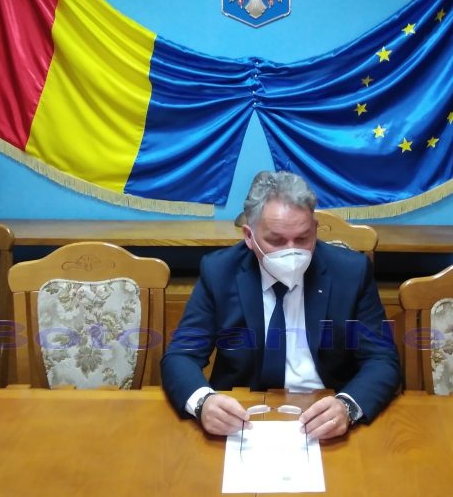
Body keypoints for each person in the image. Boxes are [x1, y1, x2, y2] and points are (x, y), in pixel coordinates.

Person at [161, 171, 400, 439]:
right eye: (276, 240)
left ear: (315, 228)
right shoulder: (220, 271)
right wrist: (203, 402)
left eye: (303, 238)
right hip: (242, 413)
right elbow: (181, 355)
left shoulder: (351, 272)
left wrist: (347, 406)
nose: (292, 250)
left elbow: (381, 360)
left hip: (325, 413)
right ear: (249, 236)